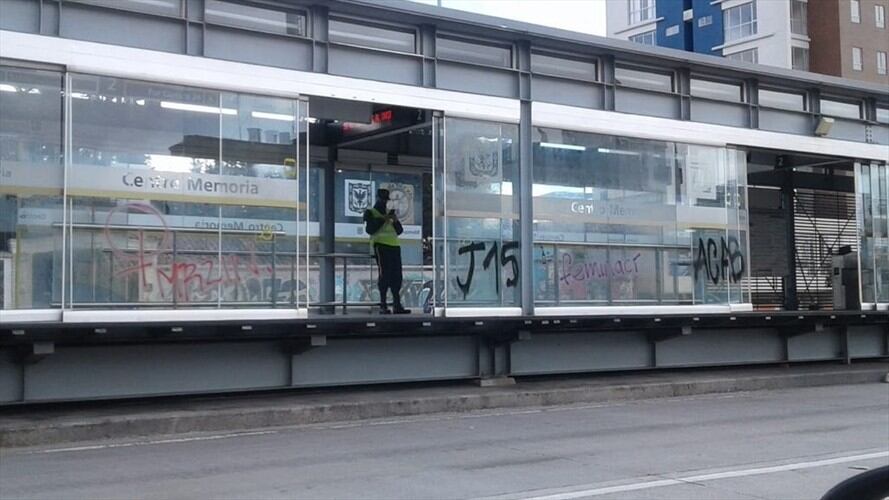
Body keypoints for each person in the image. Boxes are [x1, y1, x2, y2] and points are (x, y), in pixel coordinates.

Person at [364, 188, 409, 314]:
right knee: (385, 275)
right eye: (382, 199)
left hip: (394, 246)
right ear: (378, 198)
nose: (384, 201)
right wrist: (384, 219)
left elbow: (399, 231)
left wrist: (394, 220)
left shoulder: (390, 212)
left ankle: (397, 304)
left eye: (386, 199)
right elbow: (370, 229)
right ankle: (383, 305)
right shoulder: (371, 212)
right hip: (381, 246)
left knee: (397, 275)